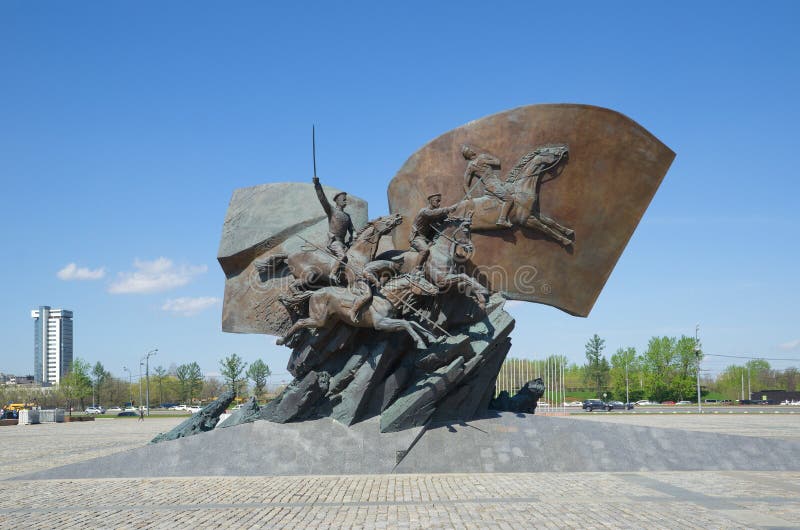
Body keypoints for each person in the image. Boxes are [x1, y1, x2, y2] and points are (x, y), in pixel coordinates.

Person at [313, 176, 354, 284]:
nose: (345, 200)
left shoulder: (347, 216)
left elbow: (352, 230)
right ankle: (333, 273)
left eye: (345, 198)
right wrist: (317, 185)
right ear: (337, 200)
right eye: (343, 198)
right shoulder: (331, 211)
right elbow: (323, 199)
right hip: (335, 242)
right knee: (342, 256)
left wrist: (354, 236)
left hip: (344, 244)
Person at [462, 144, 514, 227]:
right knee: (509, 199)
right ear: (467, 154)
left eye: (471, 149)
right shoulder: (471, 167)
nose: (472, 150)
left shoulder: (483, 156)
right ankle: (502, 220)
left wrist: (486, 162)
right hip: (491, 186)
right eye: (469, 150)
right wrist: (469, 196)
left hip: (498, 182)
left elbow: (498, 162)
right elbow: (465, 183)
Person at [409, 193, 457, 271]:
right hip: (417, 238)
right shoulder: (424, 212)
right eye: (437, 201)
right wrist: (449, 209)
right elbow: (434, 213)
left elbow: (446, 220)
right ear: (431, 201)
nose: (439, 203)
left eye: (440, 201)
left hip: (430, 239)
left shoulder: (438, 213)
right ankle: (416, 269)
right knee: (425, 250)